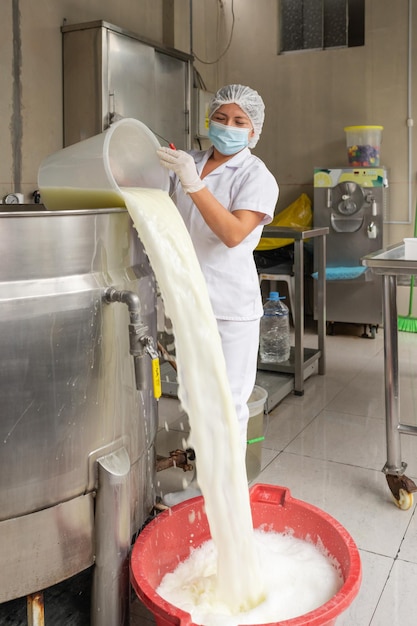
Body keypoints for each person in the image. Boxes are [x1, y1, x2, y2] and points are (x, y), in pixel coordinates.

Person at [157, 84, 279, 450]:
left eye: (239, 121)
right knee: (198, 401)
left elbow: (233, 234)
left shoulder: (256, 176)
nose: (228, 126)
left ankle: (227, 501)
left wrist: (192, 184)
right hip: (189, 299)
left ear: (253, 131)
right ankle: (202, 489)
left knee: (228, 404)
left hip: (229, 306)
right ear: (208, 120)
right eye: (220, 117)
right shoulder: (187, 162)